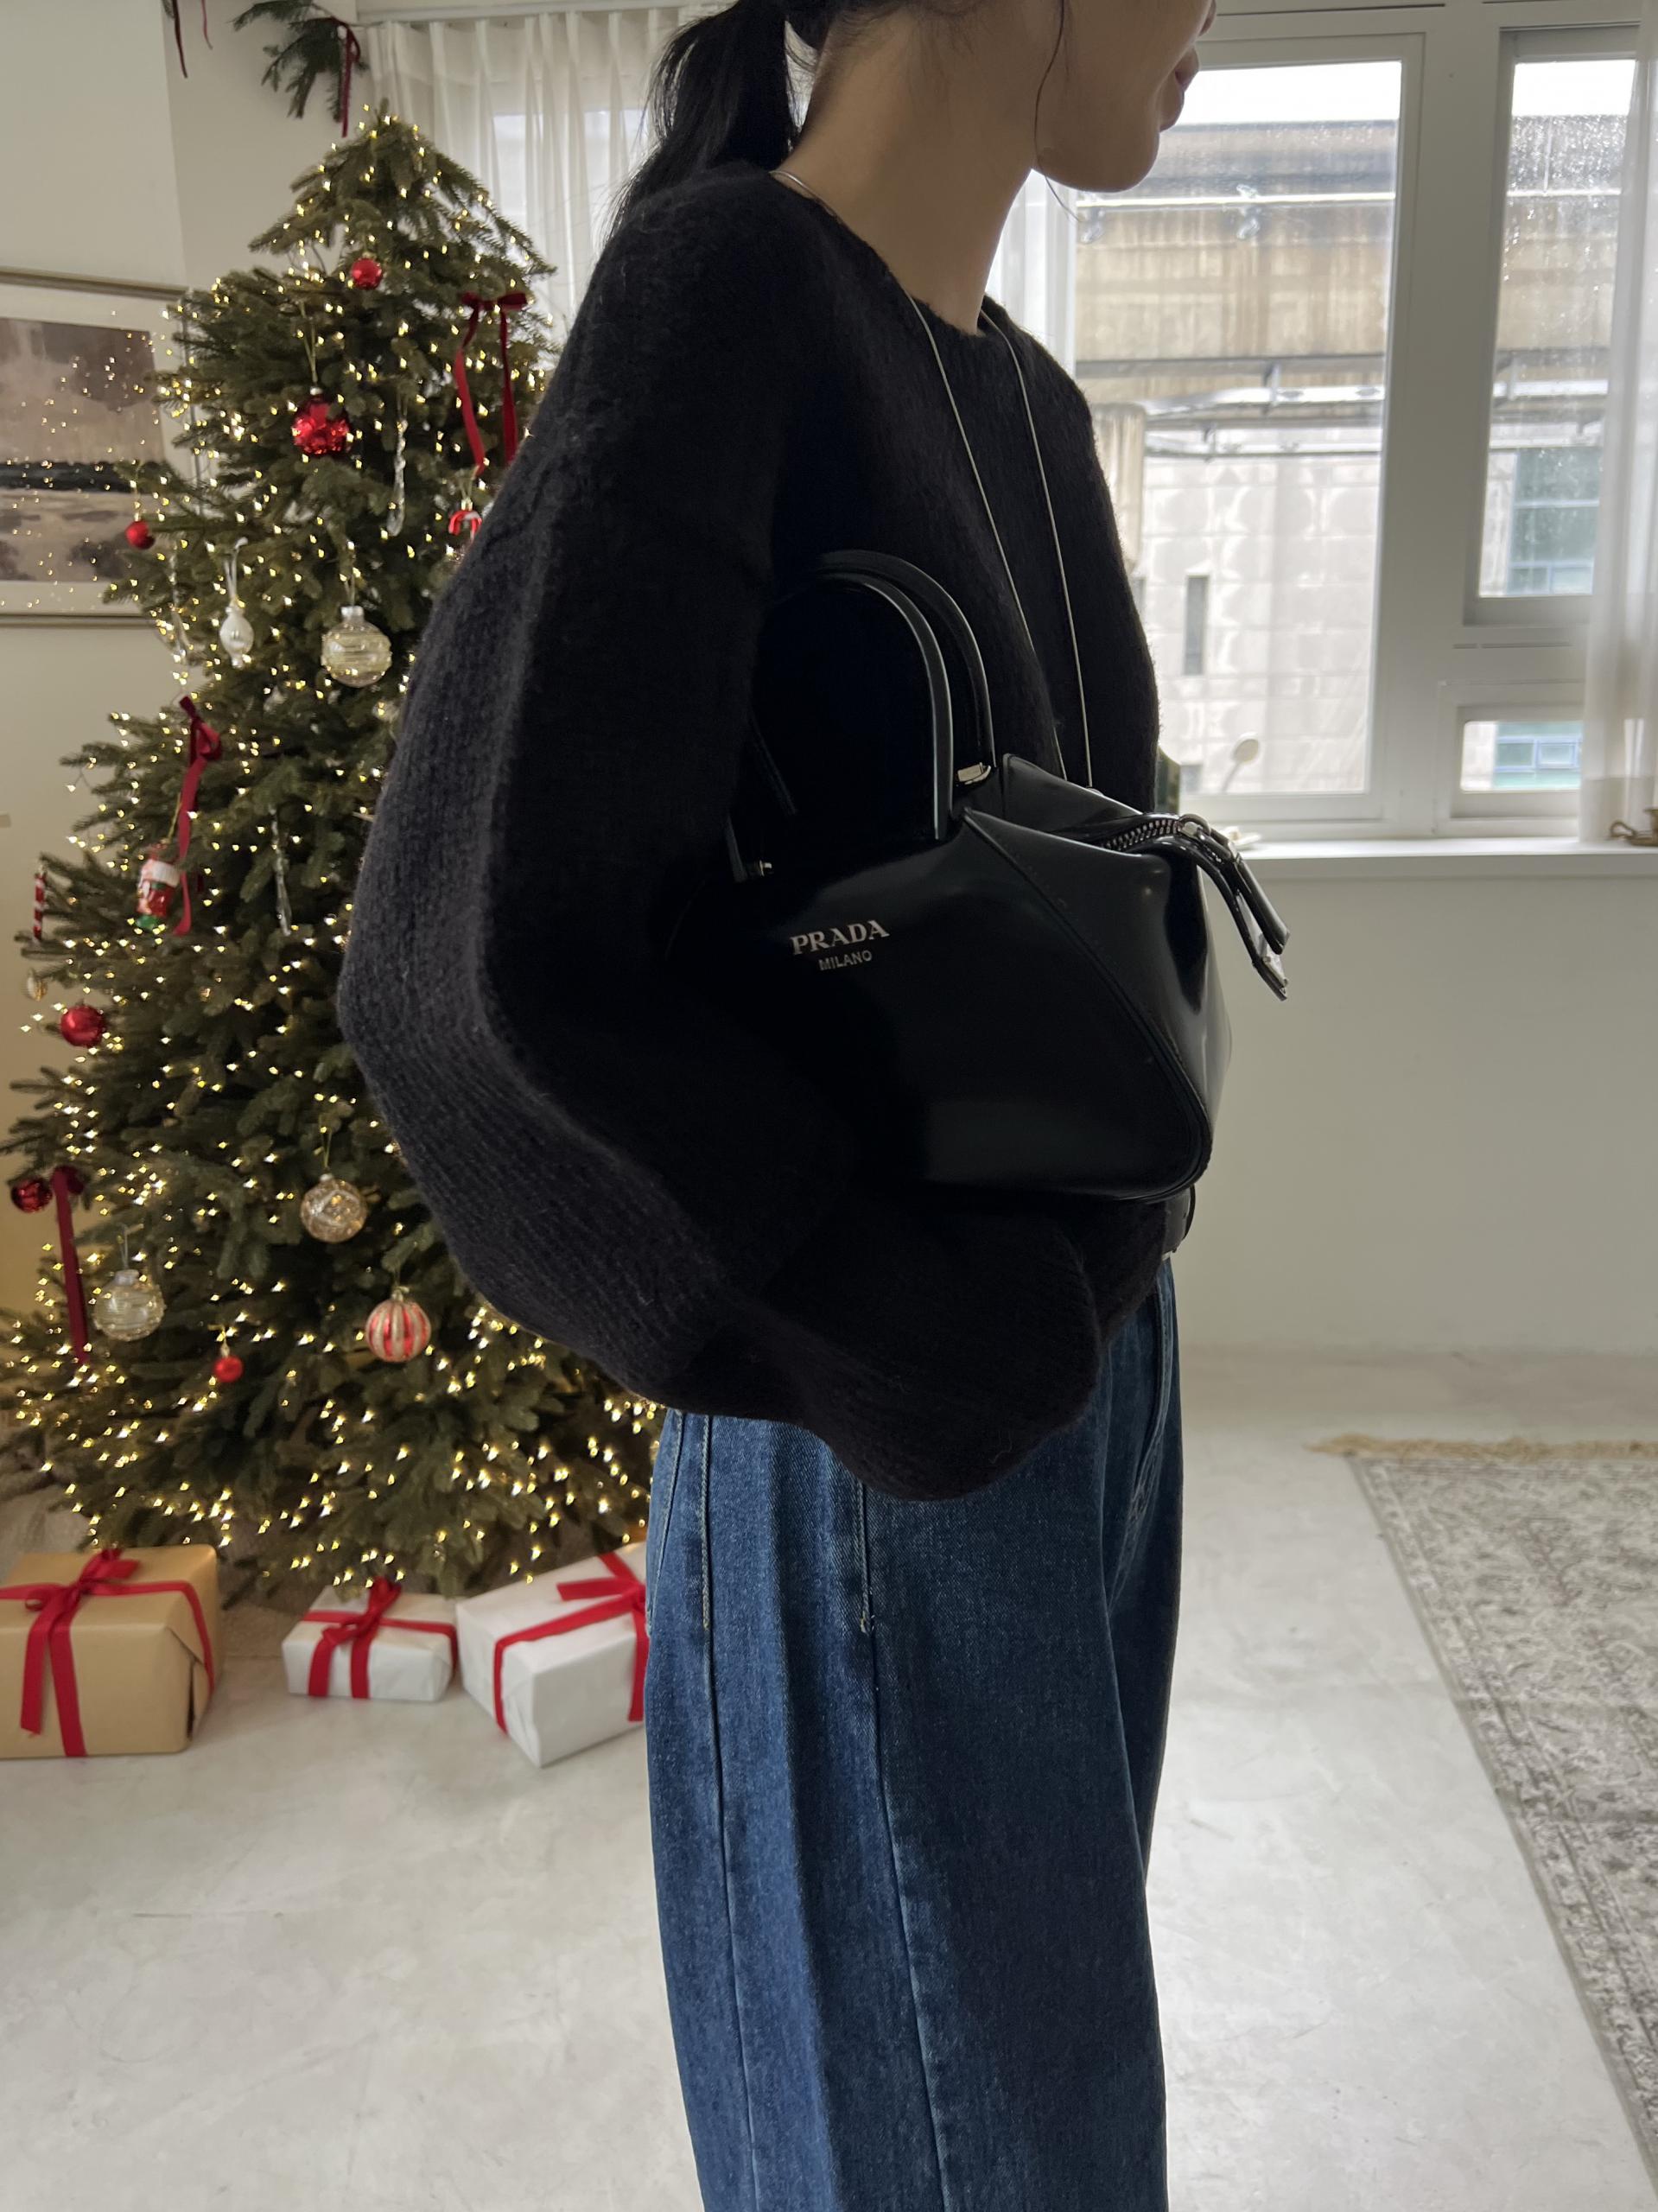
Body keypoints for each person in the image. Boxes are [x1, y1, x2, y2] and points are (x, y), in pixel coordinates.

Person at [336, 0, 1214, 2195]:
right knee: (961, 2152)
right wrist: (890, 1322)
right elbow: (466, 975)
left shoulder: (1026, 395)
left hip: (1090, 1386)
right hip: (881, 1425)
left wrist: (1084, 1288)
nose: (1217, 14)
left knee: (1045, 2108)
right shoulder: (726, 291)